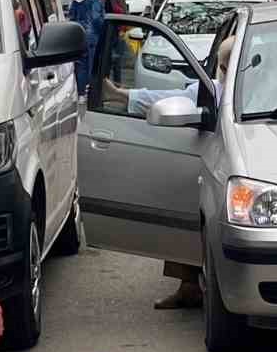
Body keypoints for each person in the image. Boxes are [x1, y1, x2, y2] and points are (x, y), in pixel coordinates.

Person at [100, 37, 235, 310]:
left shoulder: (250, 92)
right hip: (212, 170)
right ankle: (189, 287)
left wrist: (119, 94)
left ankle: (206, 287)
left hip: (234, 175)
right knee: (181, 204)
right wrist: (120, 94)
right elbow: (164, 100)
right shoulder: (212, 91)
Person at [67, 0, 106, 95]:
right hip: (91, 37)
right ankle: (89, 94)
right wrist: (103, 31)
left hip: (77, 36)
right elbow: (96, 18)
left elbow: (71, 17)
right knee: (91, 66)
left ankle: (80, 92)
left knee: (79, 66)